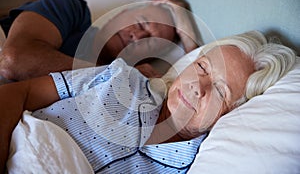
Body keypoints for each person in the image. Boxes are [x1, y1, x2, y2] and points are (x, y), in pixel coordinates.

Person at [0, 31, 296, 173]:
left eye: (220, 91)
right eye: (203, 67)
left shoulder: (191, 167)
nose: (197, 87)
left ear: (234, 114)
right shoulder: (121, 78)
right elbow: (15, 93)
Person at [0, 0, 199, 81]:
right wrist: (114, 73)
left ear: (146, 60)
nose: (136, 36)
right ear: (122, 12)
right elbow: (13, 61)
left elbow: (192, 82)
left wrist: (188, 35)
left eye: (149, 42)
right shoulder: (72, 11)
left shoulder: (127, 85)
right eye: (141, 24)